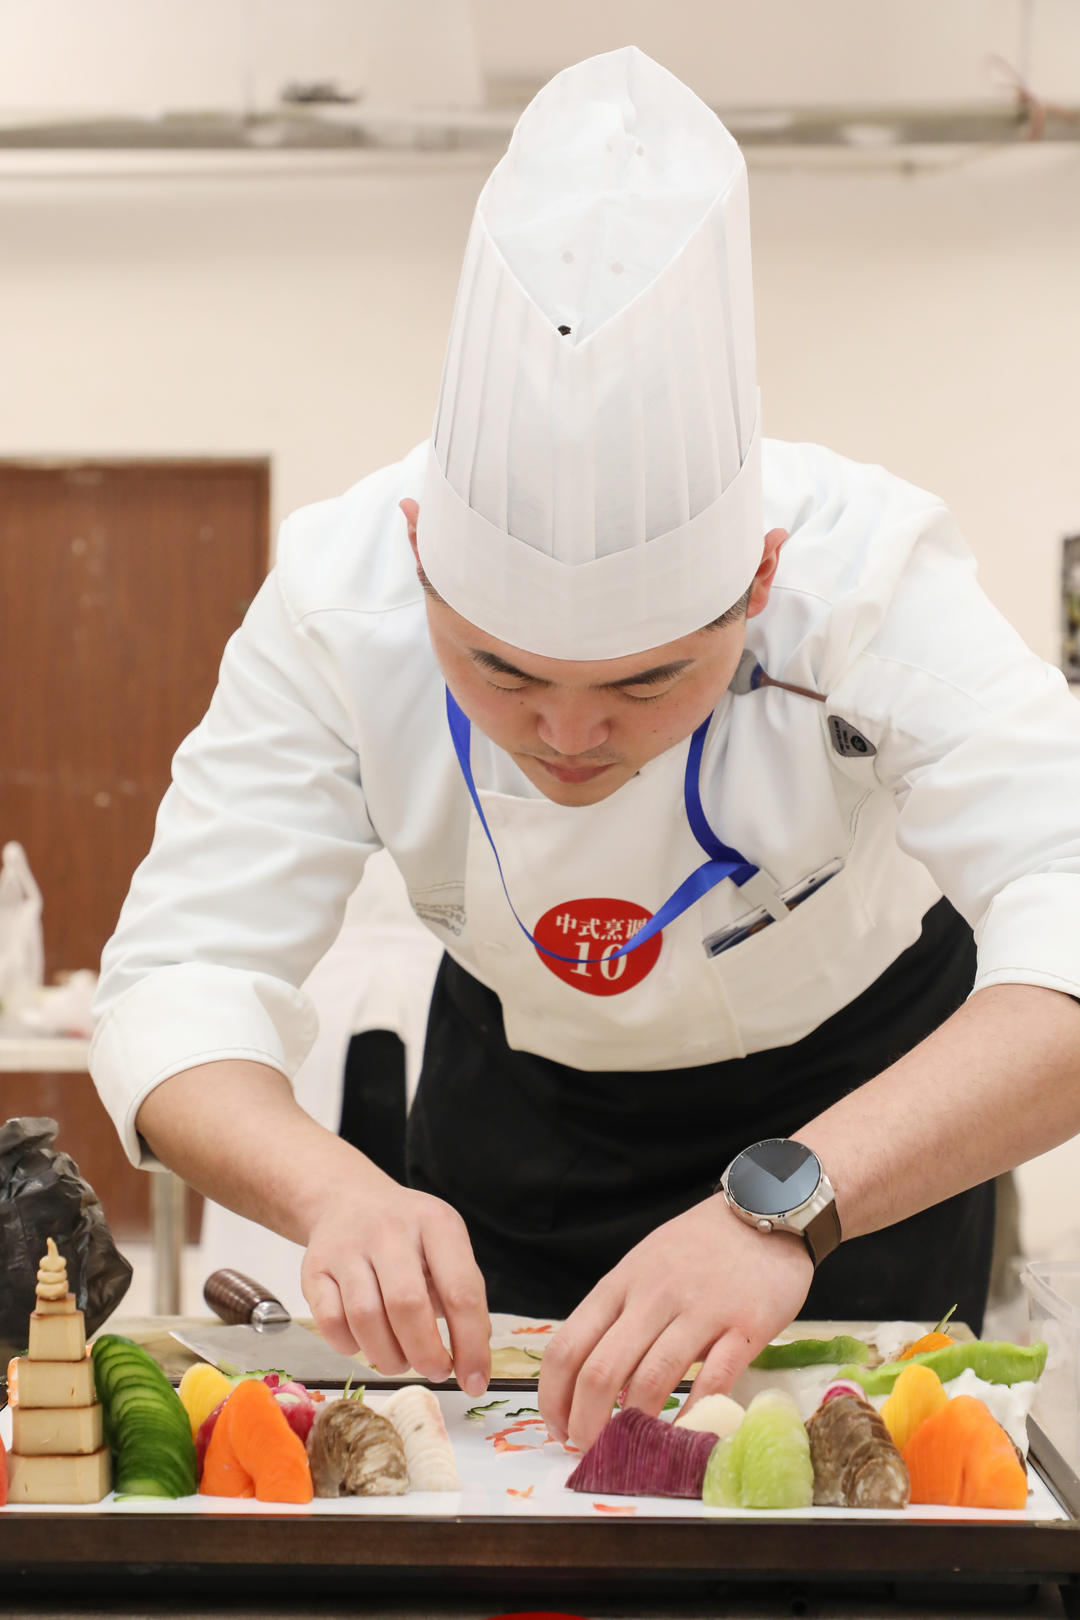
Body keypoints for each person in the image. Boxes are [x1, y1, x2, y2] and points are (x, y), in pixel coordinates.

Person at [89, 47, 1080, 1452]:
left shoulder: (869, 577)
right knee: (509, 1492)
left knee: (837, 1500)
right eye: (498, 667)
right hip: (524, 1109)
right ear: (421, 559)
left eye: (647, 679)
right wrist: (337, 1194)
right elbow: (179, 979)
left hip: (860, 1119)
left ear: (760, 580)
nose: (565, 734)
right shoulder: (334, 596)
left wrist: (785, 1206)